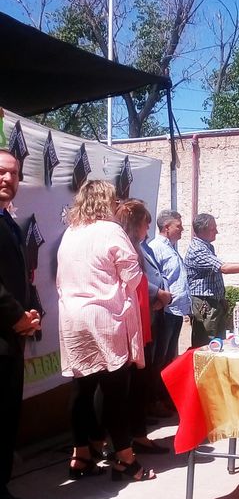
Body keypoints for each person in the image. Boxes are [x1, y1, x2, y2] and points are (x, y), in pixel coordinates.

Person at [57, 180, 155, 482]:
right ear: (106, 202)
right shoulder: (110, 230)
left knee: (82, 389)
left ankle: (81, 456)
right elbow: (132, 275)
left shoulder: (71, 231)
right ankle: (126, 459)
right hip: (104, 317)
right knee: (115, 391)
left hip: (73, 317)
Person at [0, 149, 41, 499]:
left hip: (12, 339)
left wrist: (31, 313)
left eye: (13, 173)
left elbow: (20, 277)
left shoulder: (9, 222)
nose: (7, 179)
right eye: (1, 172)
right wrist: (16, 317)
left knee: (6, 419)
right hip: (3, 332)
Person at [115, 199, 169, 453]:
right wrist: (157, 293)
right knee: (128, 384)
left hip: (143, 318)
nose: (148, 229)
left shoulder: (137, 246)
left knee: (140, 381)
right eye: (146, 224)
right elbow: (133, 281)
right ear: (136, 224)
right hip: (129, 323)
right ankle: (125, 438)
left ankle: (137, 433)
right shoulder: (124, 246)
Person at [184, 213, 239, 347]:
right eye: (213, 229)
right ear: (203, 230)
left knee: (218, 343)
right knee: (206, 344)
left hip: (214, 302)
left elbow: (215, 273)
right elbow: (224, 268)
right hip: (205, 304)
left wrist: (221, 299)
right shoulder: (197, 250)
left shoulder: (207, 247)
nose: (217, 232)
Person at [146, 210, 191, 414]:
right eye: (178, 226)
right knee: (159, 358)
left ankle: (164, 398)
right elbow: (153, 278)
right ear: (166, 227)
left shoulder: (170, 248)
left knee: (169, 358)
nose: (182, 230)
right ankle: (154, 400)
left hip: (176, 310)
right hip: (165, 311)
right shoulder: (156, 248)